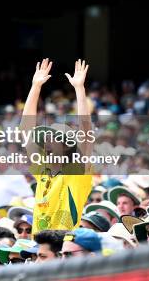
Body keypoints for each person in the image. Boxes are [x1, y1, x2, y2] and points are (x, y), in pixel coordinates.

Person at [22, 59, 93, 233]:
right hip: (39, 247)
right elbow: (25, 128)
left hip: (63, 249)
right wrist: (35, 87)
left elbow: (85, 132)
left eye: (53, 139)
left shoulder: (76, 172)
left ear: (67, 147)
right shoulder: (42, 170)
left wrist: (79, 89)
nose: (46, 143)